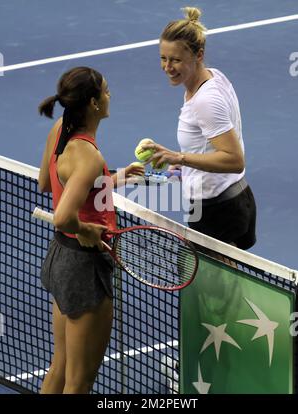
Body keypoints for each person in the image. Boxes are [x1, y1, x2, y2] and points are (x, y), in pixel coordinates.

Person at [38, 66, 143, 394]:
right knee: (79, 383)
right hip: (84, 268)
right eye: (107, 91)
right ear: (95, 103)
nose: (111, 96)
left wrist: (114, 179)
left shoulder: (60, 129)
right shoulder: (88, 156)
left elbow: (47, 182)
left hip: (60, 258)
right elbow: (63, 216)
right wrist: (87, 229)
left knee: (61, 366)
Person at [143, 7, 256, 250]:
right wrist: (182, 163)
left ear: (199, 55)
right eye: (163, 58)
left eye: (176, 60)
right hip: (232, 197)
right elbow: (208, 144)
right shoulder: (213, 78)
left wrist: (180, 157)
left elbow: (234, 159)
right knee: (226, 283)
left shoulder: (205, 101)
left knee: (212, 286)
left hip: (218, 210)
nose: (167, 66)